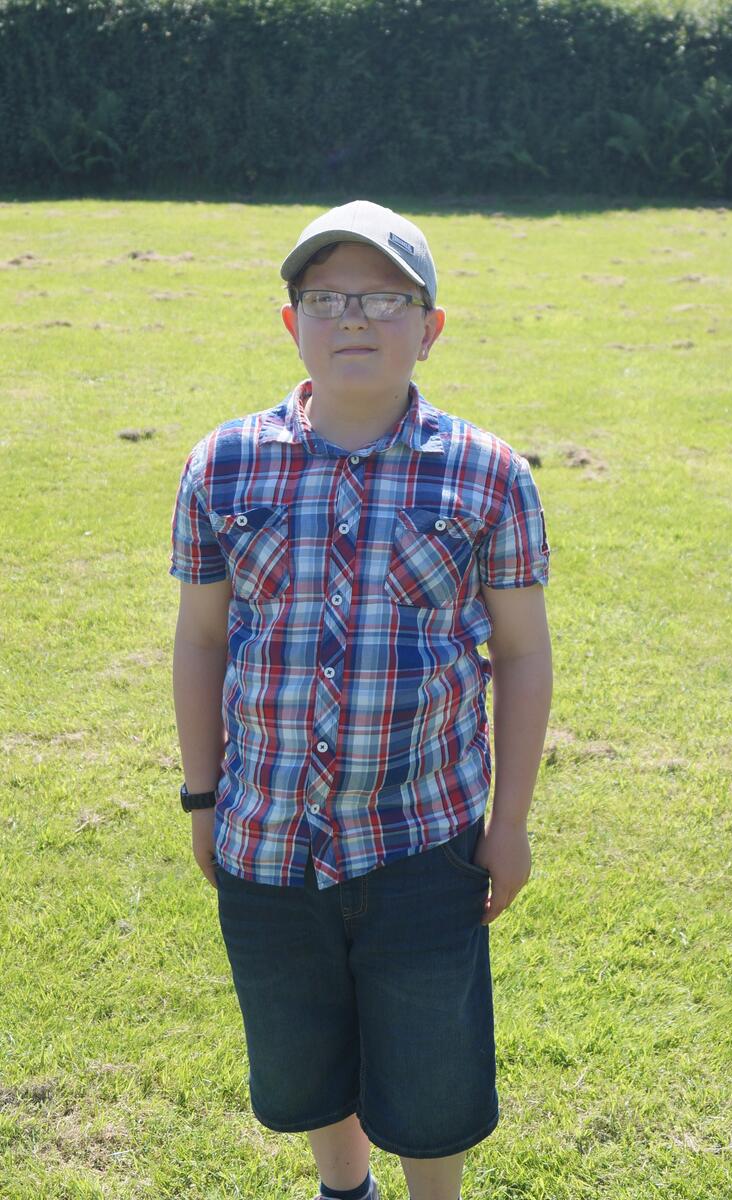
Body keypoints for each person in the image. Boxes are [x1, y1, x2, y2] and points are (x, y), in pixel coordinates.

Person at [169, 200, 553, 1200]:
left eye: (385, 299)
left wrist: (509, 824)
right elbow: (202, 638)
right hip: (266, 839)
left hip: (425, 842)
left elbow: (521, 655)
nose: (352, 317)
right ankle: (346, 1189)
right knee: (306, 1059)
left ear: (430, 329)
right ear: (289, 321)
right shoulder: (223, 464)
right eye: (326, 297)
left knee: (431, 1074)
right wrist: (203, 799)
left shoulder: (488, 476)